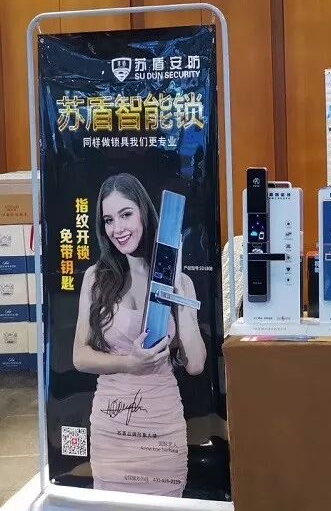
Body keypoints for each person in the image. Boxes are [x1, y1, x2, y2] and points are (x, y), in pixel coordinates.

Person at [72, 173, 206, 496]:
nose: (117, 228)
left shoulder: (180, 282)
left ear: (143, 212)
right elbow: (79, 356)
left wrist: (176, 288)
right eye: (108, 220)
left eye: (126, 214)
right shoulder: (96, 278)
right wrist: (129, 363)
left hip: (162, 425)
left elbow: (196, 364)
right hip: (112, 427)